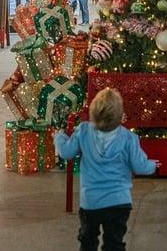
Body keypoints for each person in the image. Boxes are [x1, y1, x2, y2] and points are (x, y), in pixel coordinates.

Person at [54, 88, 158, 251]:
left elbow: (66, 153)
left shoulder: (83, 131)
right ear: (119, 115)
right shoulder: (129, 138)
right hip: (119, 202)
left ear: (93, 112)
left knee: (87, 240)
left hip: (91, 202)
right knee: (114, 243)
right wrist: (152, 165)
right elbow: (139, 166)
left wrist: (59, 137)